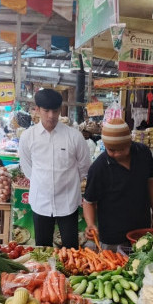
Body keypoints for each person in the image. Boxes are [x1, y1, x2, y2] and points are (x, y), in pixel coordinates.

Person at [18, 89, 91, 248]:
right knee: (42, 248)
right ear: (37, 110)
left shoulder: (74, 136)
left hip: (68, 202)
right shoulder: (27, 137)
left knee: (71, 249)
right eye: (46, 110)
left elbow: (84, 166)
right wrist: (42, 182)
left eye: (55, 111)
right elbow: (27, 167)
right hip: (41, 202)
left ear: (60, 110)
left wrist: (68, 183)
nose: (51, 115)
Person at [83, 118, 153, 250]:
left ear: (130, 142)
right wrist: (90, 224)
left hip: (141, 231)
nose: (117, 154)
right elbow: (89, 202)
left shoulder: (143, 153)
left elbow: (150, 181)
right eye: (111, 150)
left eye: (122, 149)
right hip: (113, 236)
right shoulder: (99, 168)